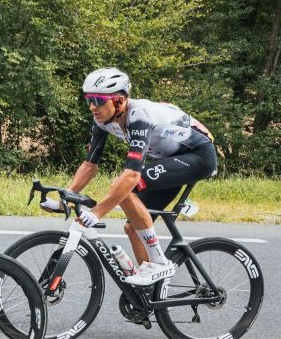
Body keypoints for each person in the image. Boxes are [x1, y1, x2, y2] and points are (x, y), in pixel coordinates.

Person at [53, 67, 217, 285]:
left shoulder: (139, 115)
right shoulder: (103, 120)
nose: (92, 106)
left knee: (126, 188)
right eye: (88, 99)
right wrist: (65, 196)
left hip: (198, 156)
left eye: (98, 100)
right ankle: (150, 289)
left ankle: (159, 262)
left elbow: (131, 175)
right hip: (171, 159)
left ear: (119, 101)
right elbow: (90, 165)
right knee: (132, 226)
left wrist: (96, 213)